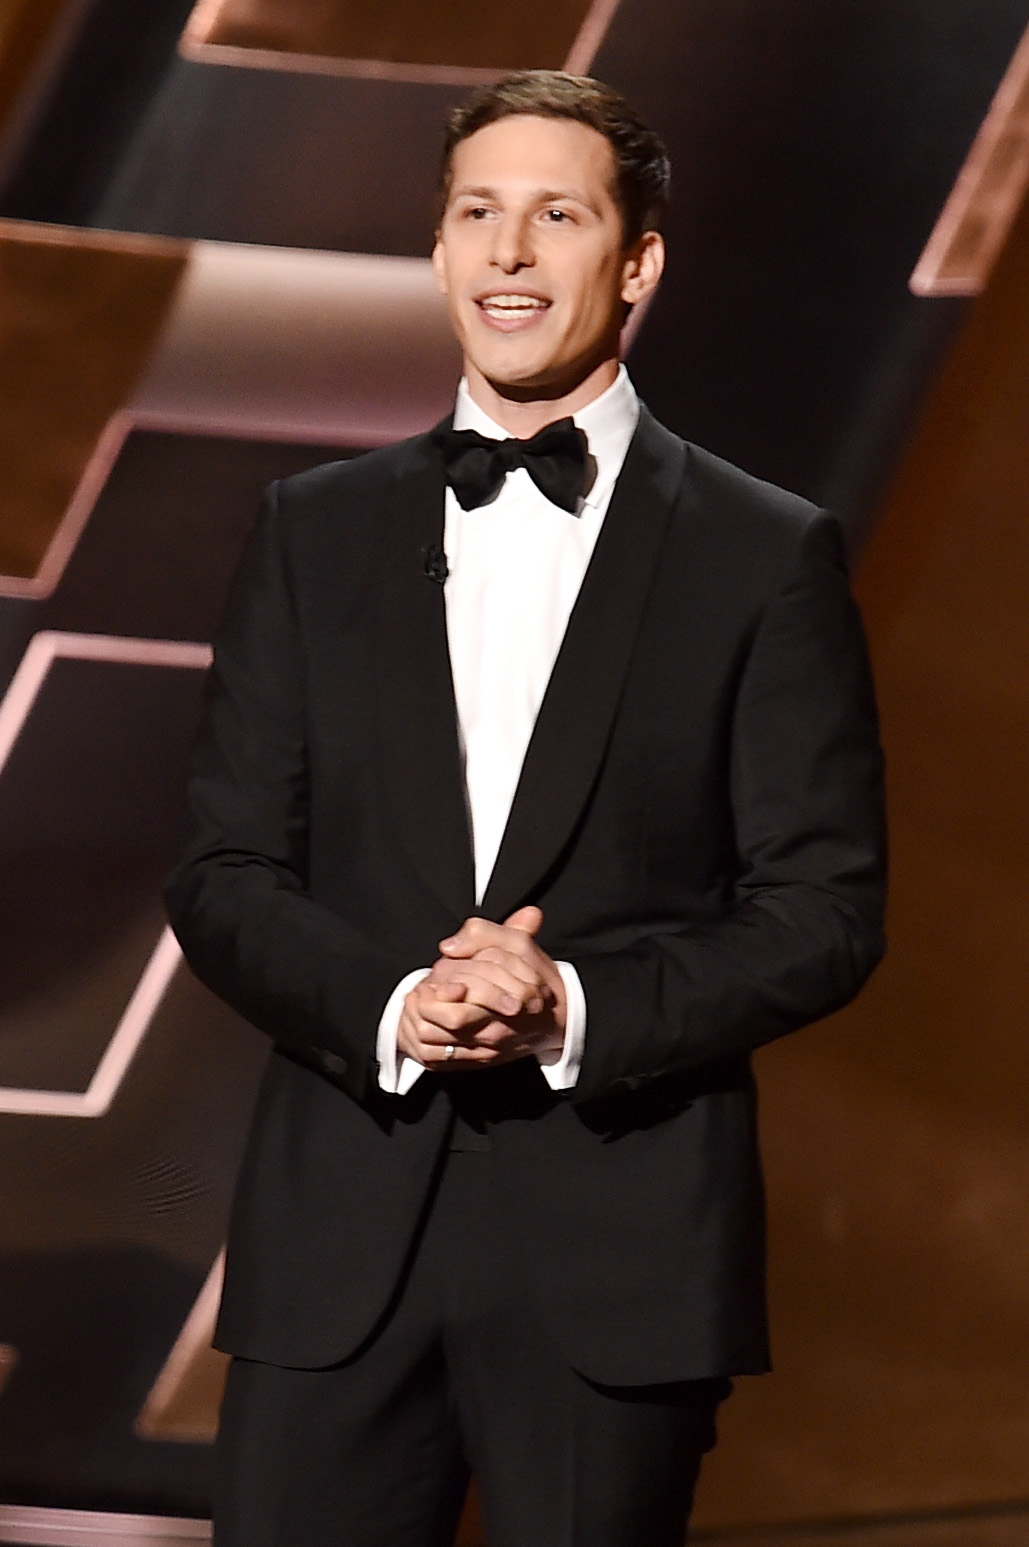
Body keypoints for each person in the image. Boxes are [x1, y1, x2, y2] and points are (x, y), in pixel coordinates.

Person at [165, 69, 887, 1547]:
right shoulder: (313, 534)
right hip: (337, 1247)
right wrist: (393, 1001)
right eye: (476, 215)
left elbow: (822, 911)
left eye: (554, 216)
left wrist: (569, 1004)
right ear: (435, 251)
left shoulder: (764, 555)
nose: (506, 255)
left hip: (614, 1253)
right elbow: (226, 867)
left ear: (635, 264)